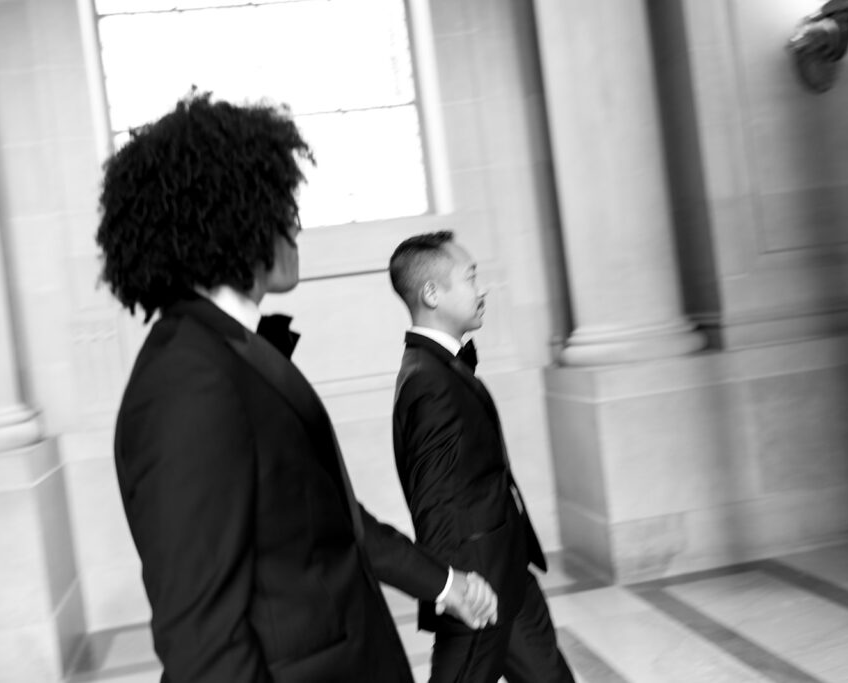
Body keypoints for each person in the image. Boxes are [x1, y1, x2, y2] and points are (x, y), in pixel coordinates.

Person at [95, 93, 497, 682]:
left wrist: (442, 585)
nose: (295, 223)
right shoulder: (186, 382)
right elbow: (203, 642)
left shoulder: (225, 349)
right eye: (281, 204)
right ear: (231, 215)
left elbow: (330, 516)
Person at [388, 231, 576, 683]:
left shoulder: (441, 368)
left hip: (510, 572)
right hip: (480, 588)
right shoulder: (427, 381)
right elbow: (432, 500)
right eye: (470, 278)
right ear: (431, 293)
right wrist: (454, 588)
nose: (482, 288)